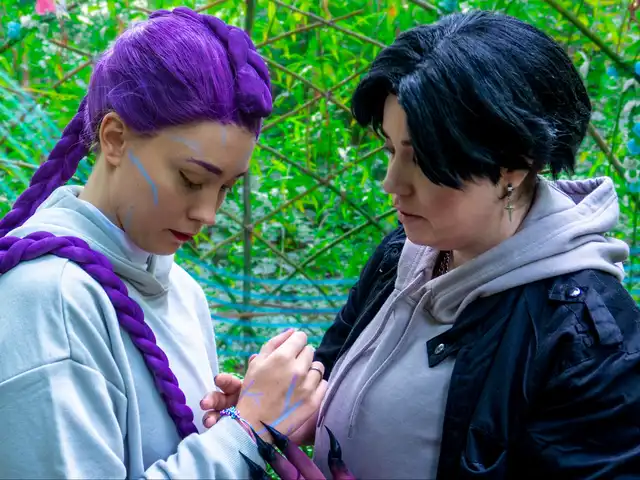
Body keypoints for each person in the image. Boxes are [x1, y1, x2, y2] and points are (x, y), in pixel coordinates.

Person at [307, 10, 640, 480]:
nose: (391, 183)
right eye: (390, 150)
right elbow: (333, 368)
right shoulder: (404, 252)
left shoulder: (585, 341)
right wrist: (285, 407)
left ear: (513, 166)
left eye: (422, 159)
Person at [0, 7, 327, 479]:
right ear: (115, 139)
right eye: (192, 179)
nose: (208, 214)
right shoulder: (50, 300)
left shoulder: (183, 291)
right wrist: (246, 432)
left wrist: (237, 424)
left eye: (226, 187)